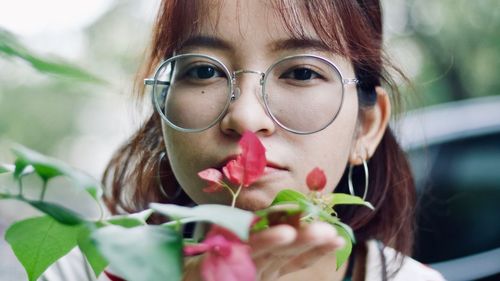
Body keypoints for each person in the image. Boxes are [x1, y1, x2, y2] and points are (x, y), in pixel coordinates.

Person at [43, 0, 446, 280]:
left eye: (302, 73)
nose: (246, 117)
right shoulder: (82, 271)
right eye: (203, 71)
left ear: (367, 127)